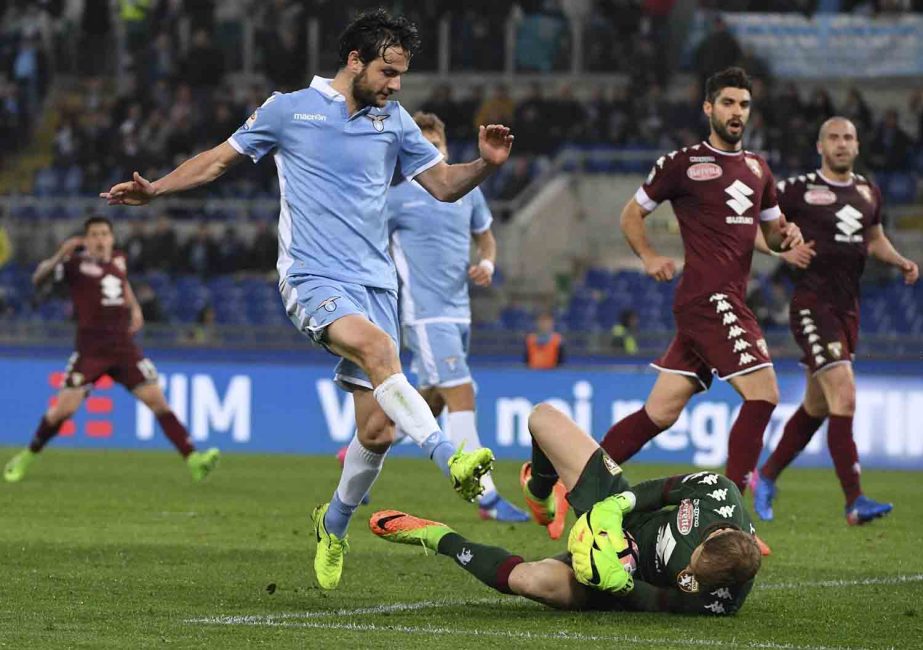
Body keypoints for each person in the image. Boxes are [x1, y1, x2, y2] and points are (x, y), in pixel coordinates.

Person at [100, 10, 514, 590]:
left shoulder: (393, 122)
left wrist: (485, 168)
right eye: (388, 72)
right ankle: (451, 457)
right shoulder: (287, 110)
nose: (396, 86)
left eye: (400, 76)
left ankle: (334, 522)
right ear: (354, 61)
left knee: (376, 432)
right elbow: (220, 159)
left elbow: (444, 186)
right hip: (313, 278)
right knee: (375, 349)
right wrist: (157, 188)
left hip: (376, 287)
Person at [597, 69, 803, 526]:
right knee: (764, 394)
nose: (737, 113)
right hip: (709, 298)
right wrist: (649, 255)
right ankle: (731, 520)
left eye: (744, 105)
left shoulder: (758, 170)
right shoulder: (682, 163)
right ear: (708, 108)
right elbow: (631, 214)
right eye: (728, 103)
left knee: (659, 413)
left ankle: (577, 481)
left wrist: (789, 239)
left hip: (720, 300)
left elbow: (771, 234)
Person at [371, 403, 762, 615]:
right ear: (719, 533)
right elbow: (663, 490)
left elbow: (661, 602)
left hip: (616, 577)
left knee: (529, 582)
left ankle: (437, 536)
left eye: (693, 575)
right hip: (625, 516)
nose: (690, 572)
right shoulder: (720, 494)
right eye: (693, 562)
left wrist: (621, 585)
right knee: (543, 417)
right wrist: (615, 506)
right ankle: (541, 493)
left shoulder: (719, 598)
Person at [753, 117, 919, 525]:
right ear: (820, 145)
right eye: (833, 137)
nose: (841, 144)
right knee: (843, 394)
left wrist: (899, 261)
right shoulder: (797, 190)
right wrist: (781, 253)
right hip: (813, 305)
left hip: (849, 309)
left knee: (818, 403)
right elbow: (752, 226)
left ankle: (767, 475)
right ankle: (854, 500)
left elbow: (874, 237)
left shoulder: (868, 192)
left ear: (858, 146)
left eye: (848, 137)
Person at [386, 111, 528, 523]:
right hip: (425, 315)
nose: (432, 153)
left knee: (430, 400)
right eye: (422, 147)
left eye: (437, 146)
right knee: (462, 392)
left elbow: (486, 238)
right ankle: (486, 498)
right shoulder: (395, 198)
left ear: (446, 148)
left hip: (458, 313)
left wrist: (487, 264)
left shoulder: (469, 193)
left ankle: (371, 441)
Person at [3, 217, 220, 483]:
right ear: (85, 240)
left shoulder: (119, 259)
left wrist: (135, 307)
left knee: (157, 401)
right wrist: (61, 253)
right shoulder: (75, 264)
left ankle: (194, 459)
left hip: (123, 348)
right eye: (94, 234)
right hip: (90, 350)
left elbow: (122, 282)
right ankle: (27, 456)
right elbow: (38, 279)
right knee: (62, 411)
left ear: (112, 239)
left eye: (104, 234)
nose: (99, 239)